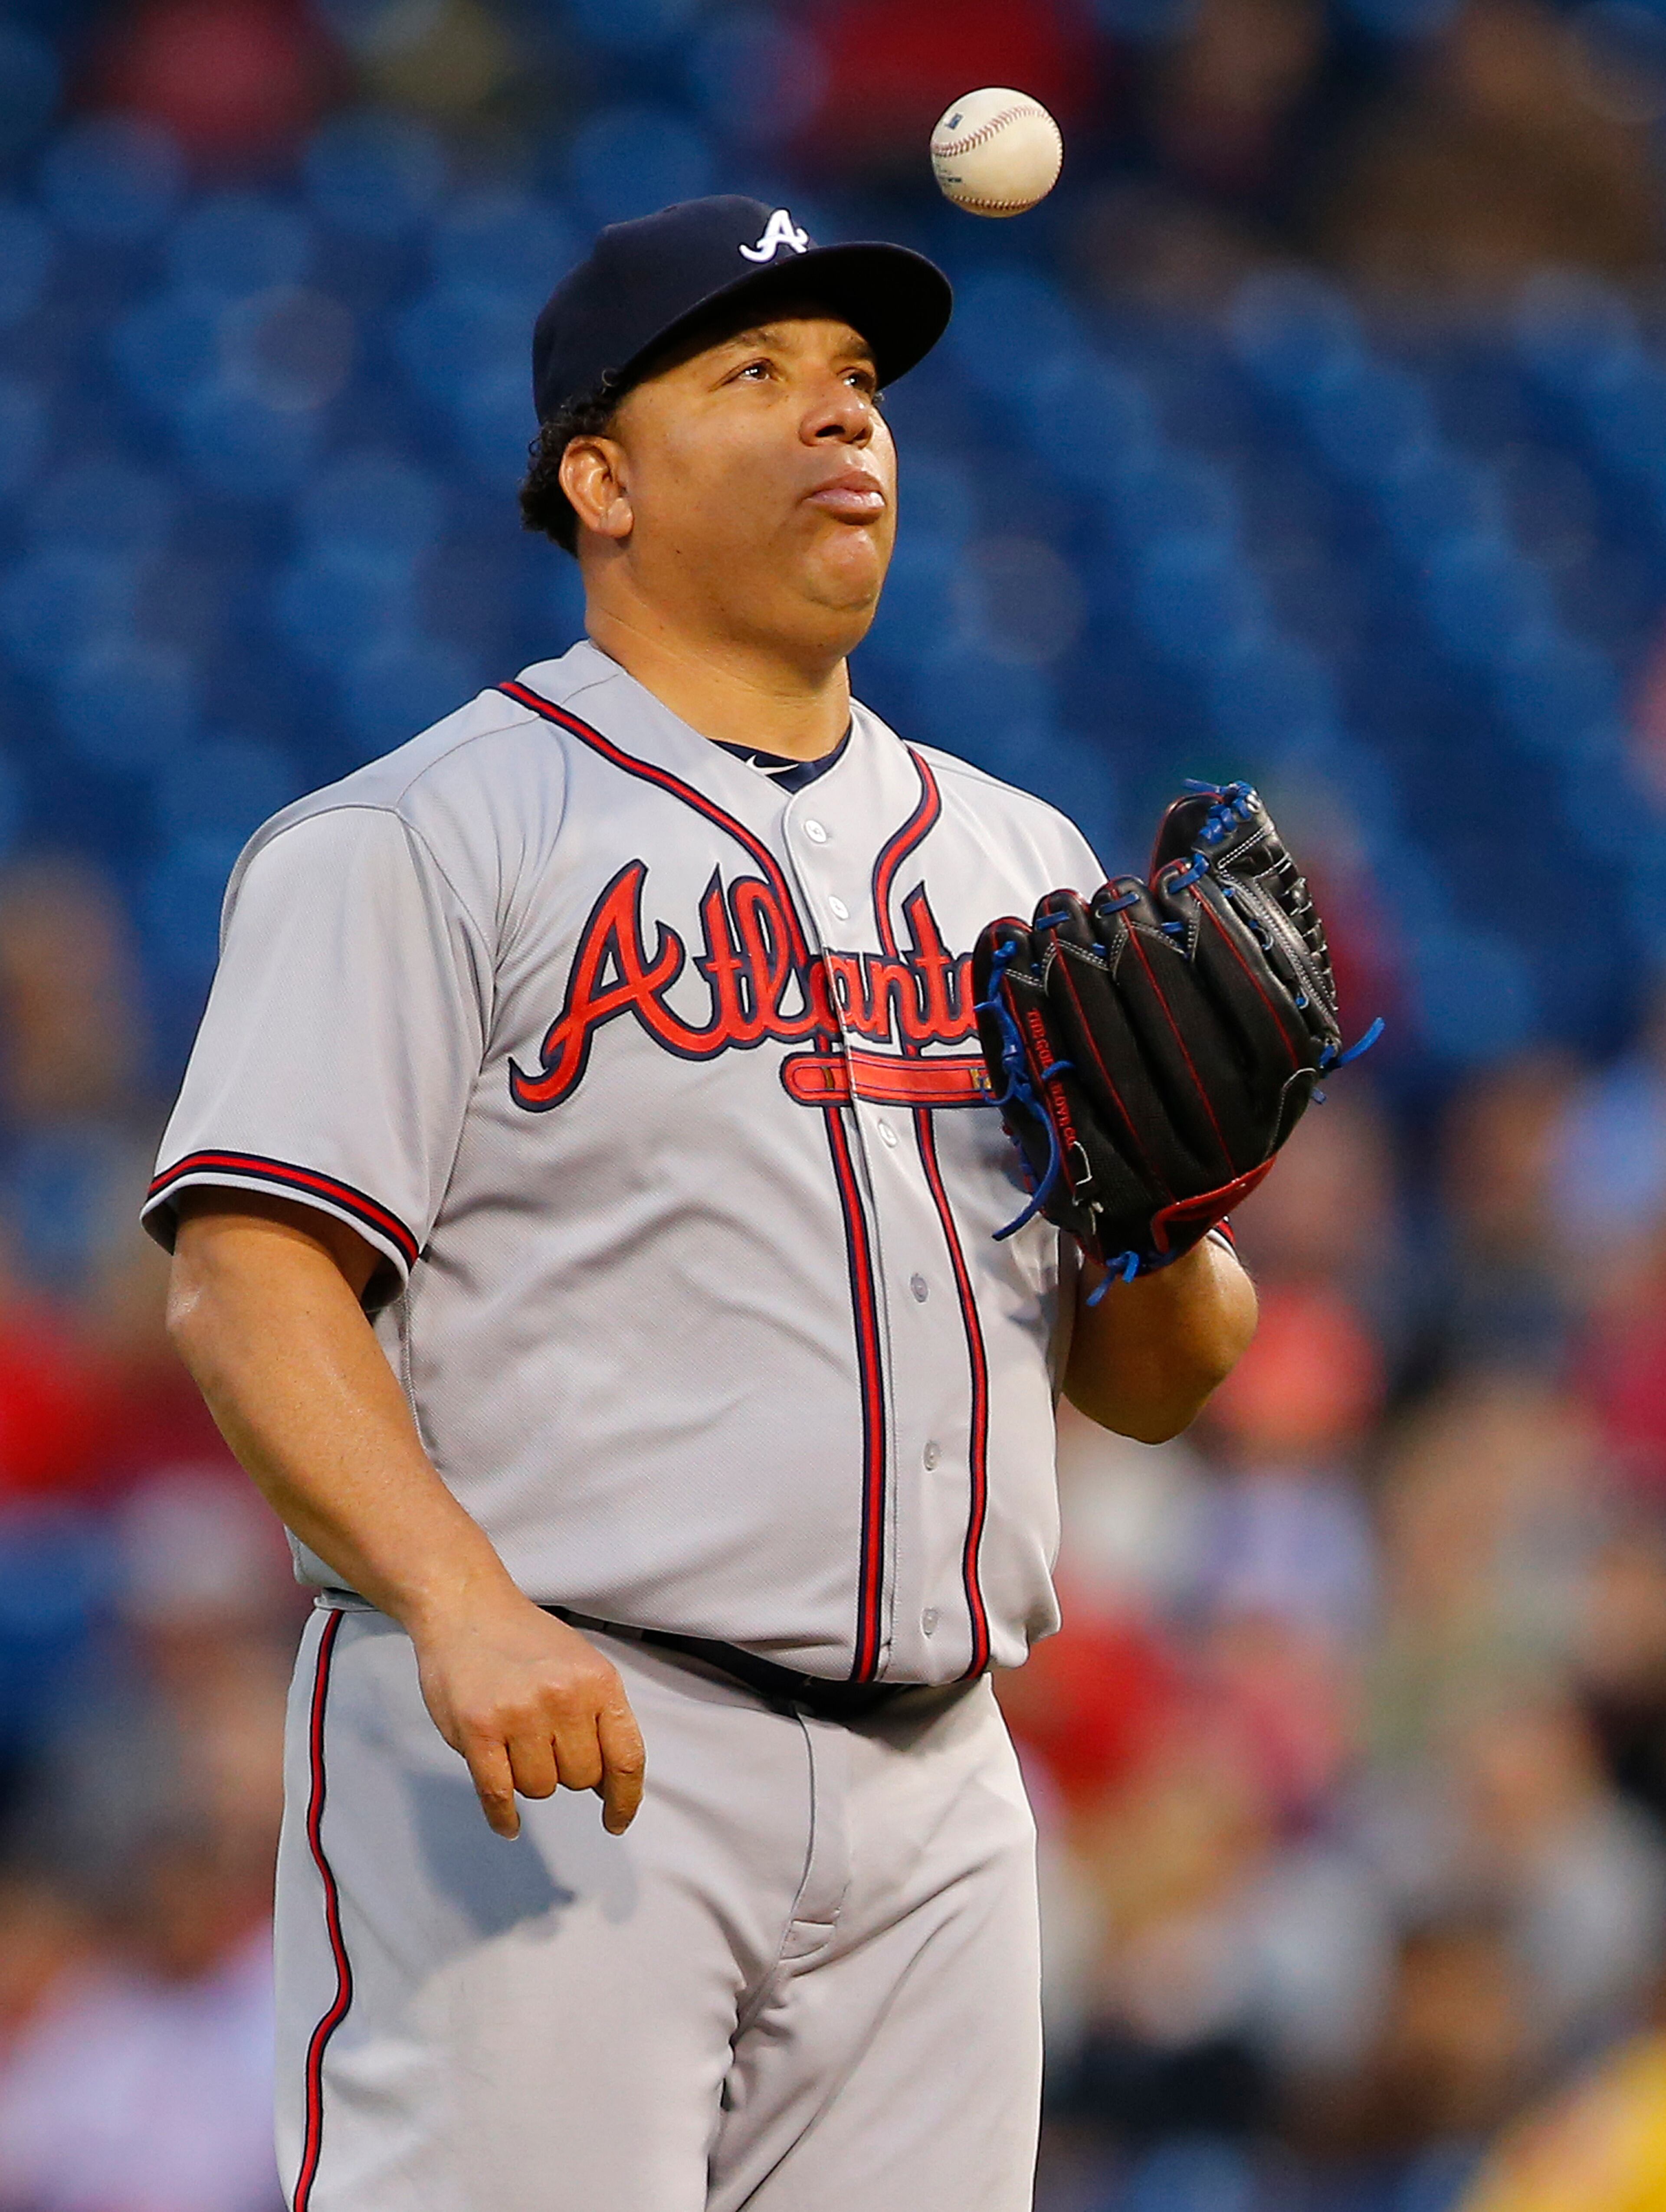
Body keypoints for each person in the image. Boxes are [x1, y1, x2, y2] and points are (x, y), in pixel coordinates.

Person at [148, 196, 1258, 2212]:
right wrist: (458, 1602)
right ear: (602, 480)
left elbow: (1162, 1381)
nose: (842, 420)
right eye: (755, 375)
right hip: (568, 1734)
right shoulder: (420, 838)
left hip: (944, 1790)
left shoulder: (1018, 860)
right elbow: (248, 1280)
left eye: (858, 384)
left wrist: (1176, 1204)